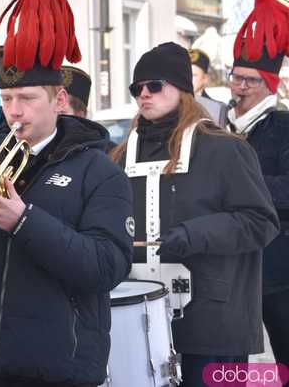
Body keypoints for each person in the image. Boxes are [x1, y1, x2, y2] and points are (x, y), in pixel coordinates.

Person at [0, 0, 134, 386]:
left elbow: (107, 268)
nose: (14, 111)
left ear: (59, 99)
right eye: (7, 98)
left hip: (60, 371)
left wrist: (24, 220)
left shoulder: (99, 172)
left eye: (27, 98)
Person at [110, 41, 279, 386]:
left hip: (212, 322)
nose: (144, 94)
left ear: (182, 90)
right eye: (137, 88)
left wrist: (193, 234)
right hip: (137, 320)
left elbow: (261, 221)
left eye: (155, 85)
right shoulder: (119, 157)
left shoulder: (225, 149)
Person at [226, 0, 289, 367]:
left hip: (278, 264)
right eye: (237, 78)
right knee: (230, 360)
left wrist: (244, 185)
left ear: (270, 84)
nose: (242, 87)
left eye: (251, 80)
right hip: (230, 264)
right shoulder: (218, 124)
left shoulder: (283, 127)